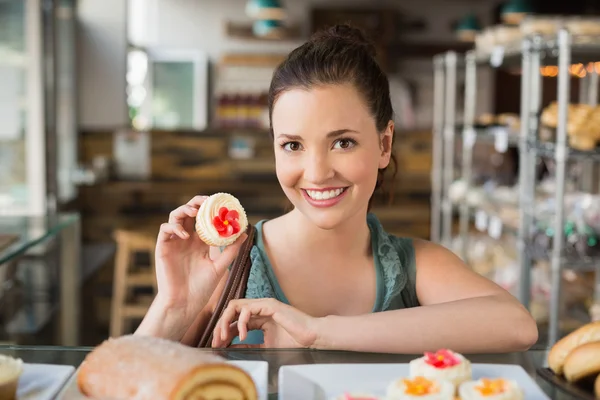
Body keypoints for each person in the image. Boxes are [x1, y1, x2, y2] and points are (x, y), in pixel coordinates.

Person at [136, 24, 538, 354]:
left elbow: (518, 325)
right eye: (293, 145)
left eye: (342, 142)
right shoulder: (226, 265)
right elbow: (117, 386)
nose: (317, 172)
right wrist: (174, 305)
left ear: (384, 144)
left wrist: (318, 331)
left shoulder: (417, 265)